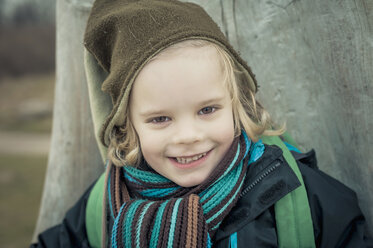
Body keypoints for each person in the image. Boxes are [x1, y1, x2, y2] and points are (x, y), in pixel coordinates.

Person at [31, 0, 372, 247]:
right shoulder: (106, 204)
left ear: (237, 105)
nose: (189, 136)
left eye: (207, 110)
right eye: (160, 118)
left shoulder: (290, 190)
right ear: (127, 126)